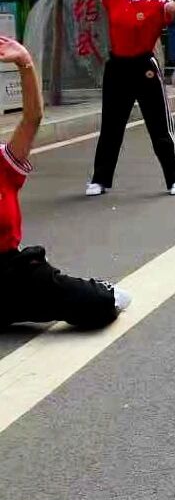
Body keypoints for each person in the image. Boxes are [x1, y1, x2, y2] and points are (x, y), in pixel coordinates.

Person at [0, 36, 131, 328]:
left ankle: (95, 289)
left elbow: (32, 118)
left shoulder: (3, 164)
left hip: (10, 274)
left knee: (100, 303)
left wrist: (25, 64)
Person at [66, 0, 175, 197]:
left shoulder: (157, 4)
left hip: (144, 68)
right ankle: (100, 179)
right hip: (117, 68)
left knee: (160, 125)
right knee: (111, 127)